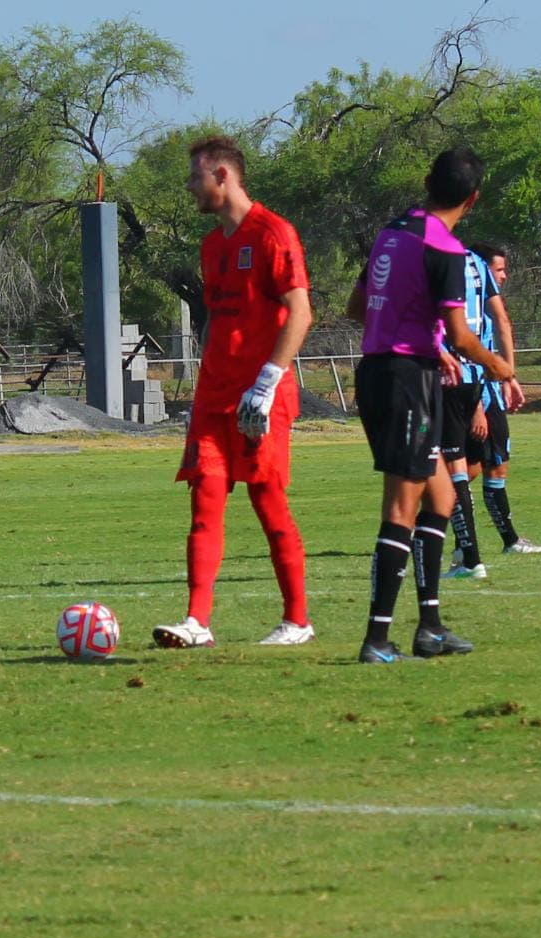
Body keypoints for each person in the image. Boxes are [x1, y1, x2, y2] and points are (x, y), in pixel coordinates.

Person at [348, 147, 513, 664]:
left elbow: (357, 307)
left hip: (388, 374)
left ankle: (430, 629)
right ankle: (376, 639)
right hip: (405, 384)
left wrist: (429, 345)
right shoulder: (445, 250)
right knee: (401, 508)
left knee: (441, 500)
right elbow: (464, 336)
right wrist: (500, 366)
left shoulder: (390, 233)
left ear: (426, 181)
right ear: (473, 198)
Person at [152, 136, 315, 648]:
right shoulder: (211, 245)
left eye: (195, 176)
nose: (189, 186)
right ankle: (197, 621)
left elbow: (302, 312)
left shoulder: (273, 233)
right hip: (213, 398)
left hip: (260, 397)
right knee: (203, 502)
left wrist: (267, 382)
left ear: (223, 176)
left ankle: (297, 620)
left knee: (268, 501)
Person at [445, 244, 541, 579]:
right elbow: (477, 346)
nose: (503, 276)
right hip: (477, 392)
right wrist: (491, 392)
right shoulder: (472, 305)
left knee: (480, 467)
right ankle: (476, 543)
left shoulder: (476, 310)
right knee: (474, 469)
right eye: (499, 270)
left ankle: (473, 540)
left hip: (481, 390)